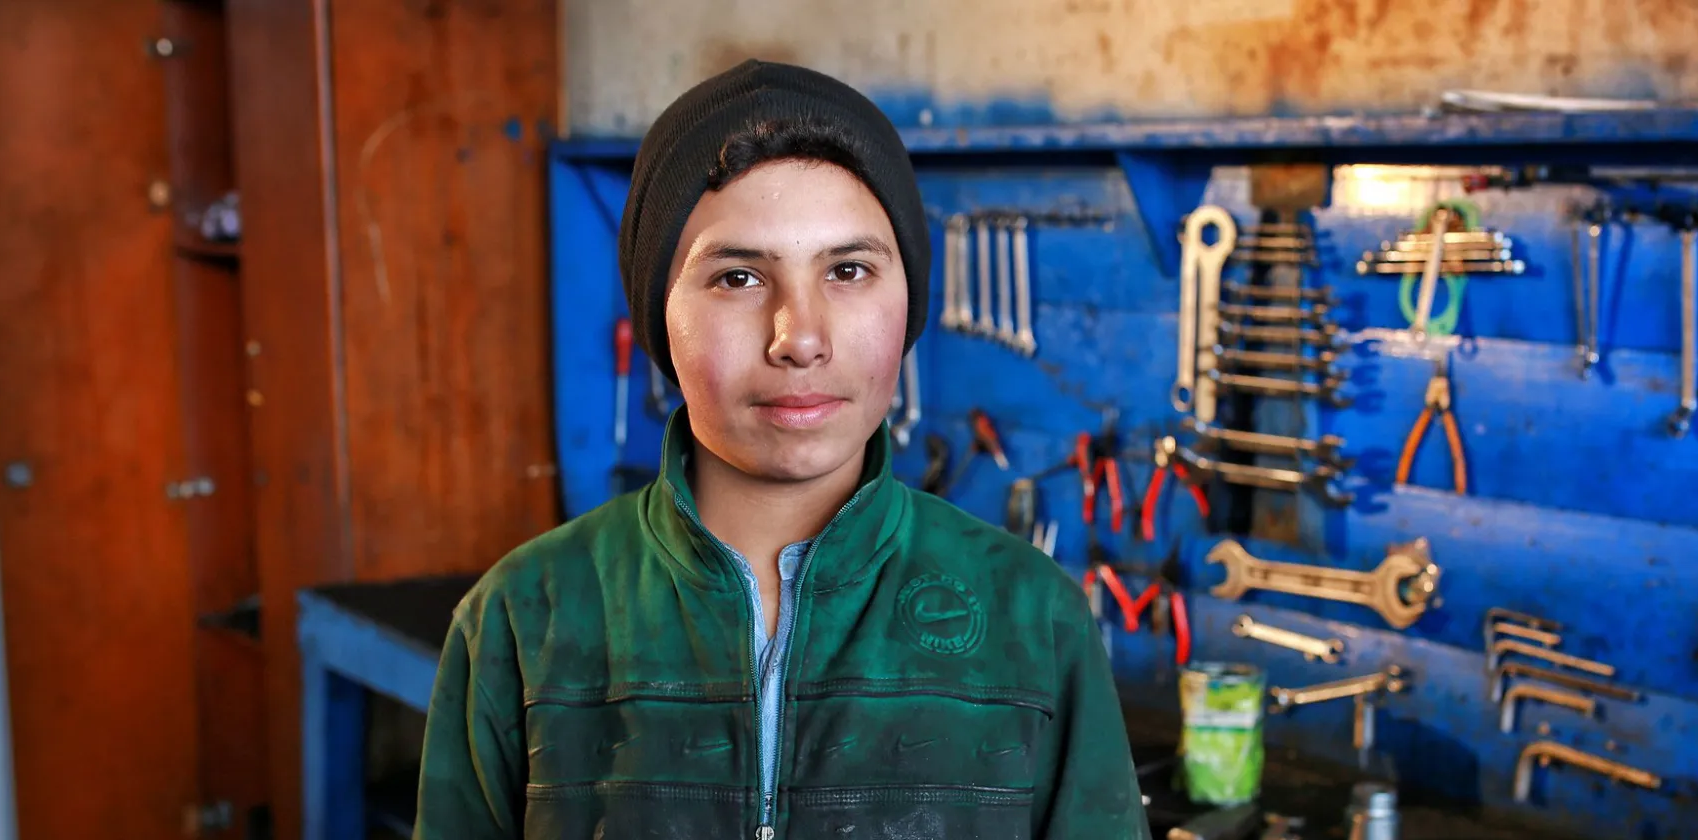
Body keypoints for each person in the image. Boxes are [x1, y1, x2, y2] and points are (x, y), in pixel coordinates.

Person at [412, 59, 1148, 839]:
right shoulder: (524, 619)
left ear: (909, 303)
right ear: (661, 317)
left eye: (849, 270)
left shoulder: (1035, 620)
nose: (799, 337)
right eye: (737, 278)